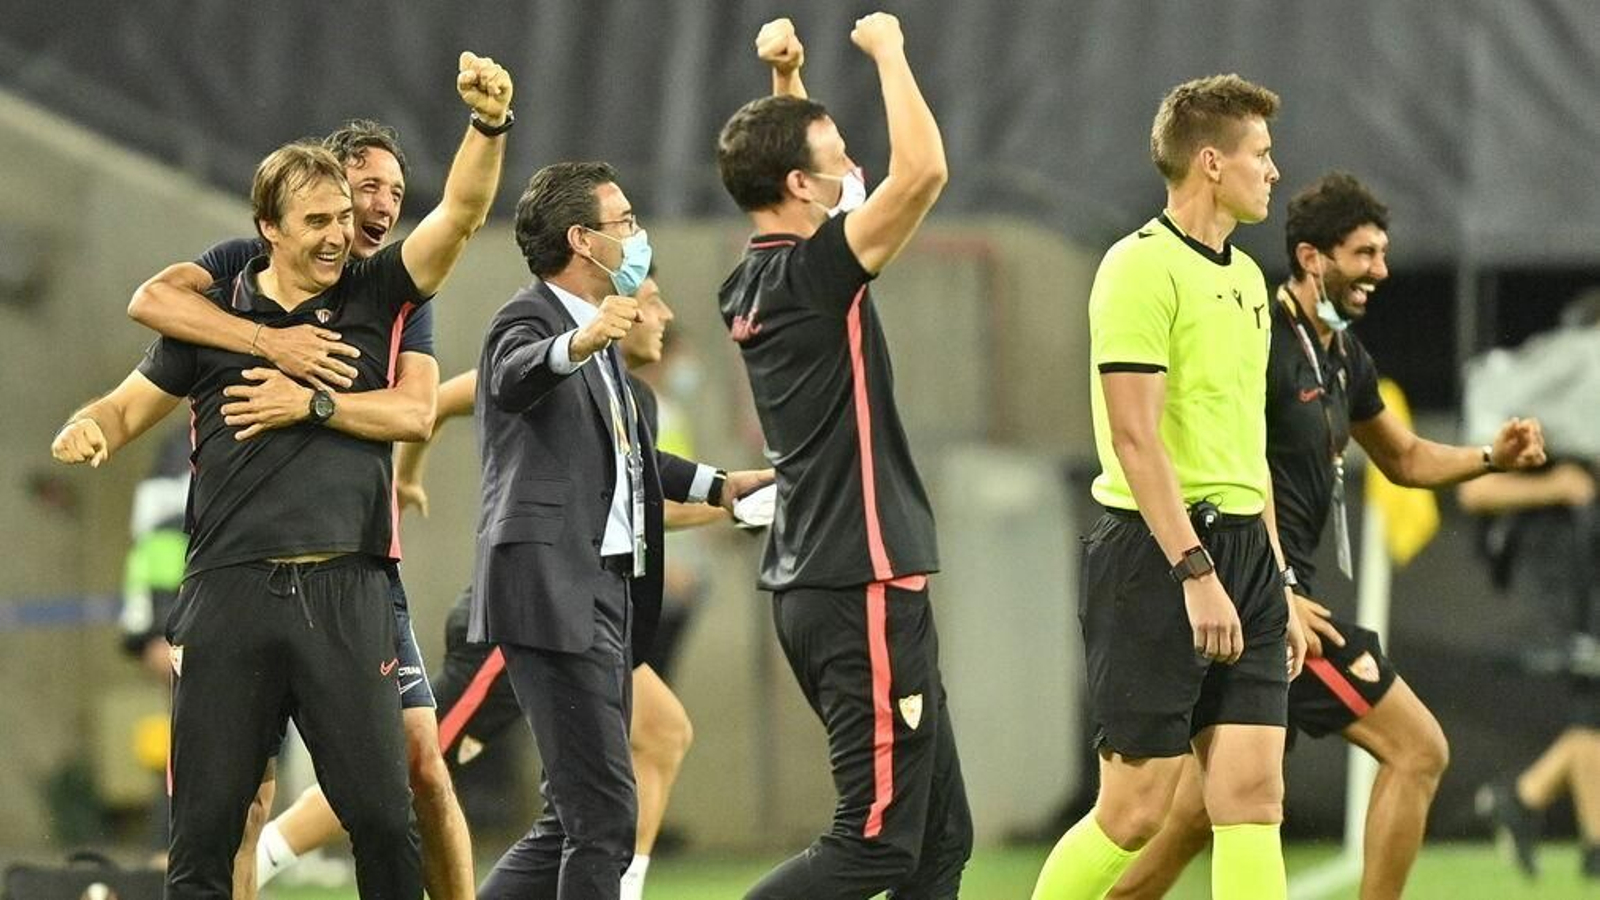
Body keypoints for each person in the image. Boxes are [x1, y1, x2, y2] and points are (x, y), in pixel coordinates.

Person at [49, 51, 510, 900]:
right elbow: (122, 407)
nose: (341, 233)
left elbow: (465, 214)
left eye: (348, 214)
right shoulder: (216, 315)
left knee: (382, 814)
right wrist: (89, 428)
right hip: (227, 597)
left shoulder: (380, 295)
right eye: (319, 219)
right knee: (207, 832)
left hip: (348, 591)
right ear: (270, 227)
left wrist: (487, 125)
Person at [1108, 172, 1546, 900]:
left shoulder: (1341, 354)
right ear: (1313, 258)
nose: (1381, 269)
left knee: (1190, 816)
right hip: (1259, 597)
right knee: (1418, 748)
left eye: (1382, 253)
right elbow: (1241, 465)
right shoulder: (1265, 340)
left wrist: (1491, 458)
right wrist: (1277, 589)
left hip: (1266, 595)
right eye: (1365, 253)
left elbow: (1403, 457)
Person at [129, 118, 474, 900]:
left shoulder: (392, 291)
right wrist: (270, 345)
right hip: (235, 579)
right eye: (363, 191)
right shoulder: (234, 268)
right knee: (228, 811)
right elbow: (151, 308)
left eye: (392, 192)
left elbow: (419, 409)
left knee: (415, 770)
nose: (379, 207)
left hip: (356, 569)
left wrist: (311, 402)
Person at [394, 269, 758, 900]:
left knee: (587, 807)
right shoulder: (537, 335)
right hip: (538, 599)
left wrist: (725, 491)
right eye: (654, 299)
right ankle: (276, 848)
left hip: (602, 599)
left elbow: (641, 482)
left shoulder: (631, 395)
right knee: (426, 764)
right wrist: (407, 471)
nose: (667, 315)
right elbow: (463, 392)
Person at [715, 15, 973, 899]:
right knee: (874, 846)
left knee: (939, 842)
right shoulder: (813, 274)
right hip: (857, 578)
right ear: (799, 183)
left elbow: (815, 181)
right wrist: (894, 51)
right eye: (834, 152)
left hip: (829, 578)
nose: (849, 162)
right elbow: (924, 173)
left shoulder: (757, 275)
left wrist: (789, 83)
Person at [1033, 74, 1305, 900]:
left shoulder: (1251, 281)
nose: (1275, 170)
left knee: (1253, 797)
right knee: (1135, 812)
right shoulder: (1138, 269)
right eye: (1262, 154)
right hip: (1158, 557)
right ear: (1213, 163)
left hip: (1247, 556)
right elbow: (1133, 438)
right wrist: (1196, 575)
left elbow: (1246, 446)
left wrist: (1278, 579)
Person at [473, 160, 770, 900]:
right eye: (626, 222)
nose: (638, 237)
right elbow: (511, 376)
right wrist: (576, 344)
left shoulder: (617, 366)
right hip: (550, 591)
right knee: (605, 816)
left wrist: (727, 489)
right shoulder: (534, 320)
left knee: (571, 820)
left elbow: (644, 465)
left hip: (604, 594)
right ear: (583, 240)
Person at [1463, 452, 1600, 881]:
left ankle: (1524, 797)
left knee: (1593, 705)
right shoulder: (1531, 402)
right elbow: (1475, 489)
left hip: (1583, 572)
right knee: (1592, 700)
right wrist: (1556, 485)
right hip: (1562, 581)